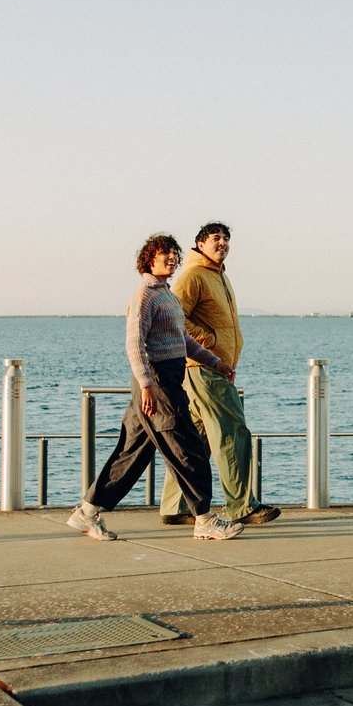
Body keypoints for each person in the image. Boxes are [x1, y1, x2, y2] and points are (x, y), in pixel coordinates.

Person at [68, 234, 241, 542]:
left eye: (175, 254)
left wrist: (215, 362)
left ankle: (87, 510)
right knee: (189, 450)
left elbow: (182, 341)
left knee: (130, 453)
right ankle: (204, 519)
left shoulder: (167, 295)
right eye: (166, 255)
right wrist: (147, 386)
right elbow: (134, 344)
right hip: (157, 383)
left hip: (166, 378)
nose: (172, 258)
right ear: (150, 259)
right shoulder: (145, 295)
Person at [160, 223, 280, 527]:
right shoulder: (194, 275)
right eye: (216, 238)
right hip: (205, 368)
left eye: (226, 238)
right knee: (233, 433)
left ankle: (176, 506)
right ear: (201, 243)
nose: (223, 243)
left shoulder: (218, 275)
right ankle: (243, 506)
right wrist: (208, 341)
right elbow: (174, 318)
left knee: (195, 442)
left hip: (208, 368)